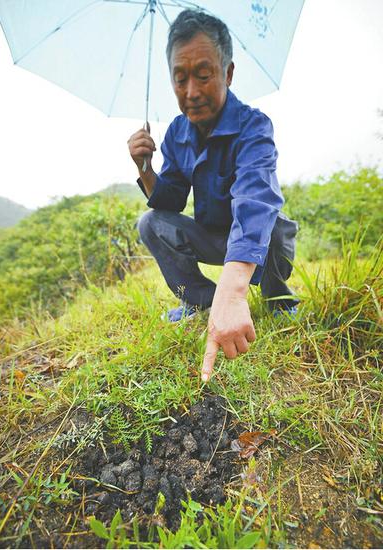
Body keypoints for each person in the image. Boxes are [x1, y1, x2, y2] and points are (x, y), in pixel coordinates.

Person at [128, 9, 298, 383]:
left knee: (271, 226)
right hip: (214, 236)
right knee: (151, 222)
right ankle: (201, 300)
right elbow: (169, 201)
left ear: (228, 73)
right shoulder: (177, 132)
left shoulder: (254, 125)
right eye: (180, 78)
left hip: (259, 241)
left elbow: (255, 201)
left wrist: (235, 289)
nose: (191, 92)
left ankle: (276, 296)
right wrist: (145, 168)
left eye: (203, 75)